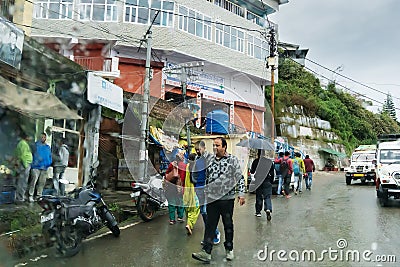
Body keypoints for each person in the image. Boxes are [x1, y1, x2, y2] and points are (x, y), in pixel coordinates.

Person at [192, 137, 246, 263]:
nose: (215, 148)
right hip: (212, 199)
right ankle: (206, 252)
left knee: (228, 225)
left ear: (224, 147)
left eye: (217, 145)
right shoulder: (210, 159)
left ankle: (229, 249)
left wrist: (241, 193)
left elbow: (240, 178)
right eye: (214, 146)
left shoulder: (232, 160)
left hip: (227, 200)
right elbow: (206, 175)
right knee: (210, 225)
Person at [192, 141, 220, 245]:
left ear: (204, 148)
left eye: (199, 149)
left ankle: (215, 233)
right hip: (198, 187)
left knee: (206, 212)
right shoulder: (197, 159)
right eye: (196, 149)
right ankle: (209, 235)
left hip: (207, 188)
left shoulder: (210, 158)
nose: (197, 151)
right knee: (204, 213)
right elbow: (194, 173)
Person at [250, 150, 274, 220]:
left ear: (258, 154)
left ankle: (258, 212)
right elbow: (272, 172)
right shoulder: (269, 162)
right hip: (267, 180)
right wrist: (271, 181)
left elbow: (252, 171)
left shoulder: (255, 161)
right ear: (264, 154)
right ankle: (268, 208)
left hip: (258, 181)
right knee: (267, 196)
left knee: (259, 196)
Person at [28, 133, 52, 202]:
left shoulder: (47, 147)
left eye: (44, 137)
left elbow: (50, 156)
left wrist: (49, 163)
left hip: (44, 167)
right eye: (41, 137)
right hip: (36, 167)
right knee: (33, 182)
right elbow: (31, 154)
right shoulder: (35, 145)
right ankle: (30, 195)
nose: (43, 138)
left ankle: (39, 196)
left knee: (42, 183)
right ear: (39, 137)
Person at [165, 150, 186, 225]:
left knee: (171, 203)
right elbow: (185, 177)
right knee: (180, 202)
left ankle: (172, 219)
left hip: (171, 187)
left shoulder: (172, 164)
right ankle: (180, 217)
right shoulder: (184, 166)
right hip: (180, 187)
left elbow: (166, 174)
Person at [183, 153, 200, 235]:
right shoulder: (195, 167)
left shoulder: (187, 166)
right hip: (193, 190)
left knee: (188, 208)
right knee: (195, 208)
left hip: (187, 190)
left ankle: (189, 224)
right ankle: (189, 224)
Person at [14, 133, 33, 203]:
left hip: (24, 164)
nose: (30, 138)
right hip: (24, 164)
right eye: (29, 137)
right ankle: (20, 197)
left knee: (21, 181)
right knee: (23, 182)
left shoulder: (22, 143)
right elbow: (23, 155)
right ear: (26, 137)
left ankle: (20, 196)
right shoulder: (23, 144)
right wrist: (25, 165)